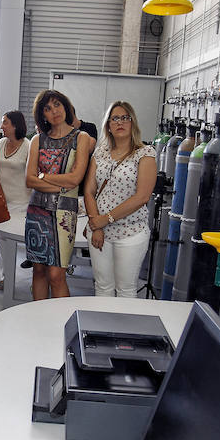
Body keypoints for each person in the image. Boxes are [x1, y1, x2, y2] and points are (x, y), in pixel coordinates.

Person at [84, 102, 156, 297]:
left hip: (130, 233)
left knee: (125, 289)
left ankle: (123, 328)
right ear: (108, 125)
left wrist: (105, 219)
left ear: (133, 123)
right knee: (103, 286)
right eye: (115, 118)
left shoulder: (145, 154)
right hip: (99, 232)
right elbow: (89, 190)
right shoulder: (100, 153)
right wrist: (97, 225)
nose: (120, 122)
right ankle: (102, 328)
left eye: (125, 117)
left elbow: (142, 197)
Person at [24, 89, 91, 299]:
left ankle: (60, 324)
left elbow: (75, 179)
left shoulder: (81, 138)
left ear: (66, 106)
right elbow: (29, 180)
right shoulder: (37, 140)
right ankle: (40, 322)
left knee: (56, 274)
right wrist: (59, 184)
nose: (54, 111)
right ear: (42, 115)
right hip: (36, 212)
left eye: (57, 105)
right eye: (47, 108)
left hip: (64, 214)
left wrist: (42, 178)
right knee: (39, 270)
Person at [0, 110, 30, 291]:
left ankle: (35, 277)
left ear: (15, 125)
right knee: (1, 241)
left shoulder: (28, 146)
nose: (2, 126)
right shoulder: (0, 143)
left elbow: (32, 175)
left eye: (5, 122)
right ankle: (6, 276)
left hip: (22, 203)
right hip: (1, 202)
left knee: (22, 241)